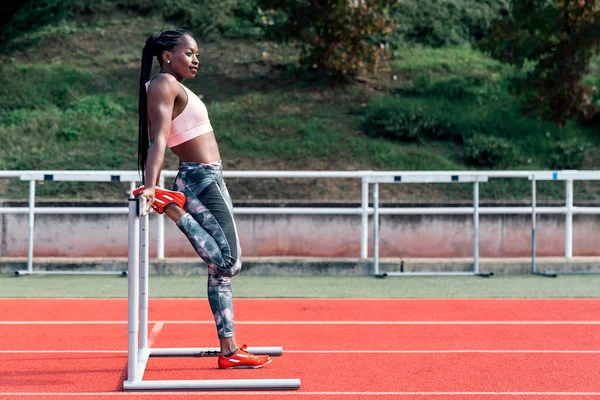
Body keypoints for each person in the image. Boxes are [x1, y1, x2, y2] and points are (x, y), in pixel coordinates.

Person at [133, 28, 271, 369]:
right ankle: (172, 207)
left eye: (197, 54)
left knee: (220, 272)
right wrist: (151, 185)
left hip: (209, 177)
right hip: (199, 179)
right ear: (167, 56)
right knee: (228, 262)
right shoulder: (164, 84)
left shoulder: (173, 86)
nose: (196, 60)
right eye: (190, 53)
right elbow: (159, 140)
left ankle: (229, 351)